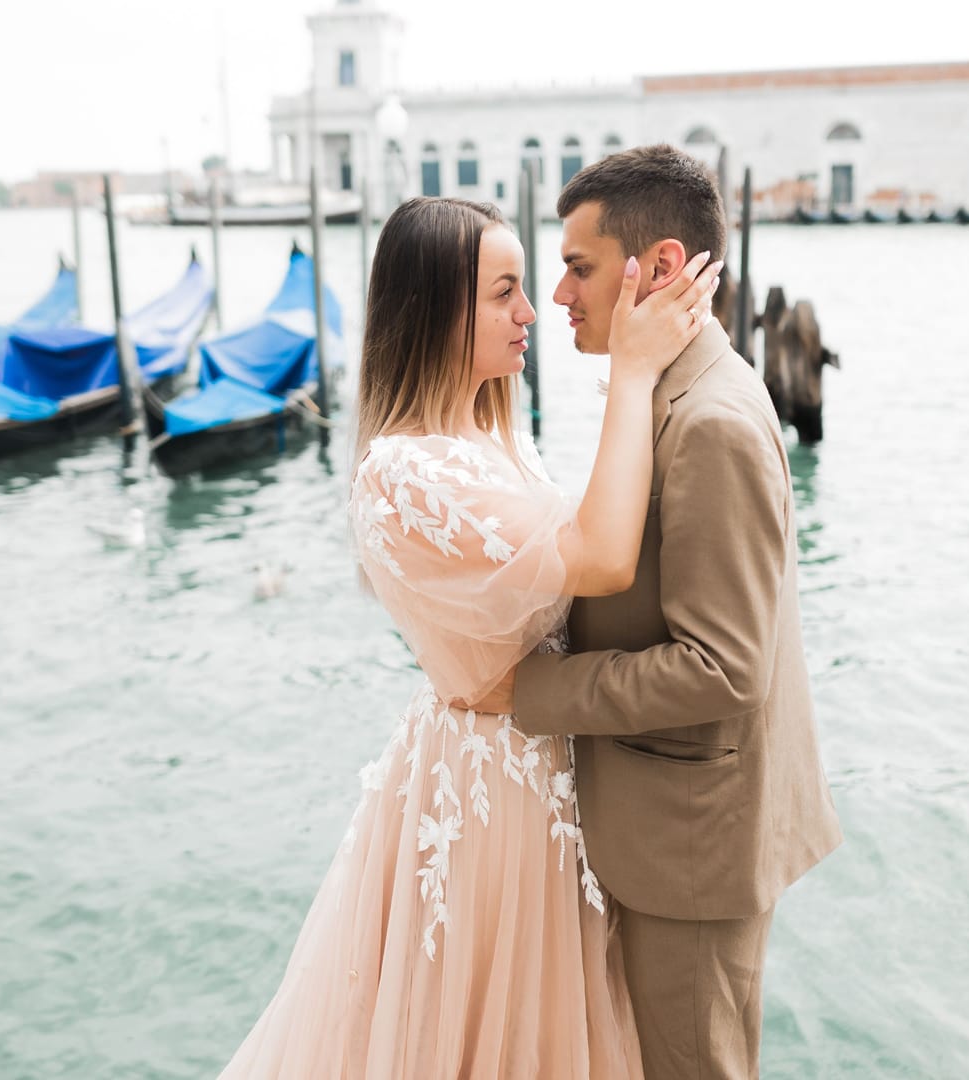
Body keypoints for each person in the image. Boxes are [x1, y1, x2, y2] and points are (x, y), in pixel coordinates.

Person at [218, 193, 721, 1078]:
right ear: (435, 309)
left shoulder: (487, 438)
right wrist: (634, 374)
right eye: (504, 293)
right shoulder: (407, 471)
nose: (532, 311)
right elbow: (600, 557)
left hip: (536, 767)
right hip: (494, 786)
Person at [510, 144, 845, 1080]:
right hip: (668, 829)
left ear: (656, 268)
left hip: (692, 849)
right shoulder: (670, 392)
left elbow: (726, 669)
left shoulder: (712, 424)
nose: (560, 295)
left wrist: (542, 691)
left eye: (578, 267)